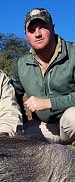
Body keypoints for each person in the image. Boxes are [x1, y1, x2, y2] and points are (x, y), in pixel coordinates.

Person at [11, 8, 75, 144]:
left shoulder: (73, 52)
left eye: (42, 27)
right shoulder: (22, 64)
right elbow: (12, 96)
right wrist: (24, 121)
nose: (37, 34)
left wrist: (48, 103)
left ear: (52, 27)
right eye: (32, 30)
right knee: (17, 136)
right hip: (44, 127)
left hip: (70, 125)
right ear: (26, 34)